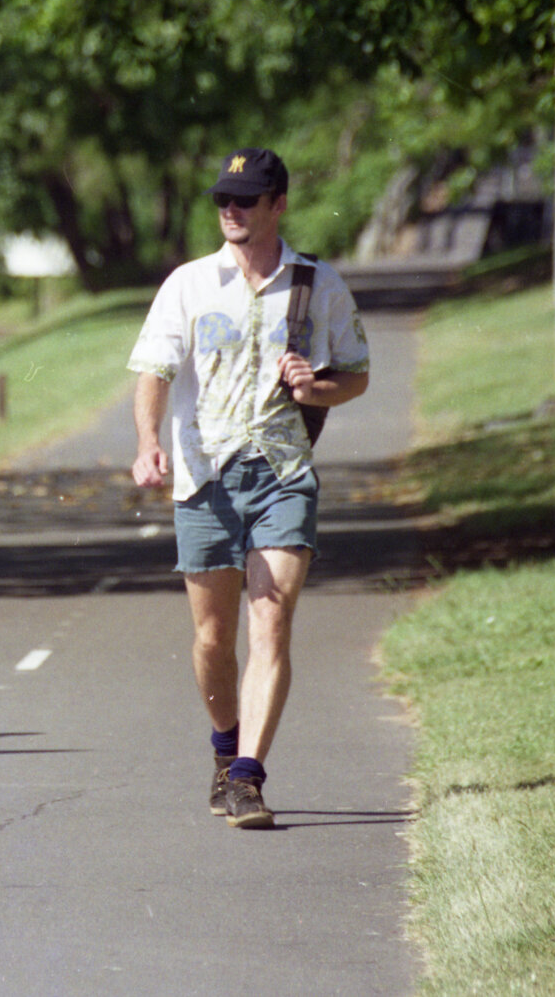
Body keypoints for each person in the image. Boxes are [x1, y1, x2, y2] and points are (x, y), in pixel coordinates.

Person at [127, 148, 370, 828]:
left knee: (273, 619)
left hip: (283, 472)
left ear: (278, 206)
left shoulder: (318, 285)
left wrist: (314, 386)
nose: (230, 211)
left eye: (246, 200)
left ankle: (247, 777)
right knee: (213, 639)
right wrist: (149, 443)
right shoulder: (189, 284)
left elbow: (355, 375)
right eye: (223, 201)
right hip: (205, 477)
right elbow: (153, 371)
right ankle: (223, 748)